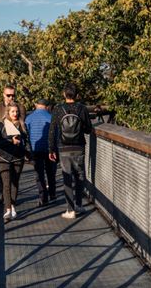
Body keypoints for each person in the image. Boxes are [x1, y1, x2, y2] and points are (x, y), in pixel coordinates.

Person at [48, 83, 92, 219]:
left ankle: (70, 210)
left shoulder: (58, 109)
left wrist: (51, 149)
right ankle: (79, 204)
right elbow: (88, 129)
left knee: (67, 176)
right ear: (77, 95)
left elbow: (52, 130)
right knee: (79, 176)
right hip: (79, 147)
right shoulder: (82, 108)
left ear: (64, 94)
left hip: (63, 147)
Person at [0, 102, 31, 221]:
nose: (15, 114)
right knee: (6, 183)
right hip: (3, 157)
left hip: (18, 157)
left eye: (17, 111)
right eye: (13, 111)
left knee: (15, 182)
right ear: (8, 112)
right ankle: (8, 209)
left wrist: (27, 152)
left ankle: (13, 206)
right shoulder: (1, 125)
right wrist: (11, 140)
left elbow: (27, 141)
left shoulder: (22, 125)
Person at [26, 98, 56, 206]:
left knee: (39, 174)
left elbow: (26, 135)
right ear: (47, 106)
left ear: (35, 105)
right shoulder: (51, 117)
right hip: (49, 149)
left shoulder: (28, 118)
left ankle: (43, 197)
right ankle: (52, 194)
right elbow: (56, 134)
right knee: (50, 172)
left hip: (35, 149)